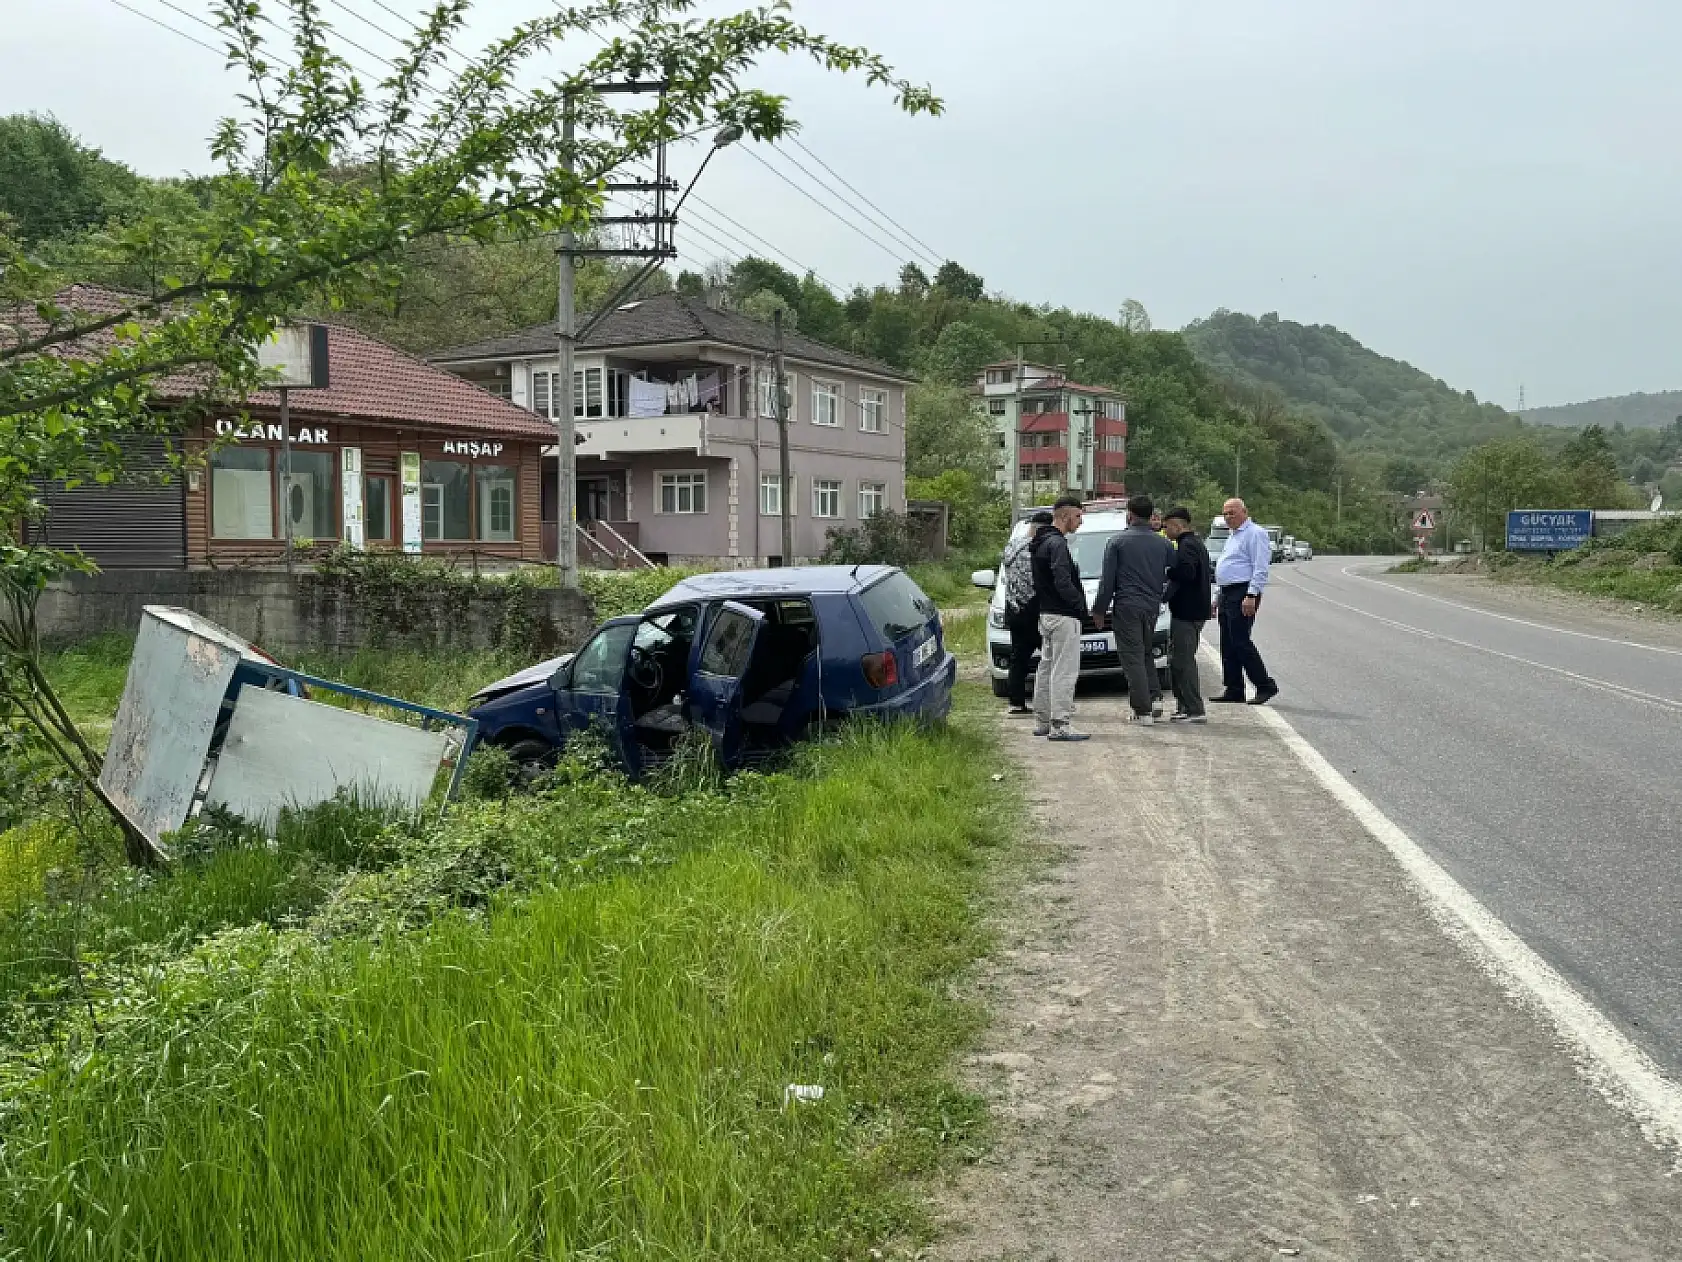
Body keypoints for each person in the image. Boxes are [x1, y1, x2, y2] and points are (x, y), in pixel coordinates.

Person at [1091, 493, 1175, 726]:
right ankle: (1155, 698)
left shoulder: (1117, 542)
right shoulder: (1164, 544)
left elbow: (1108, 581)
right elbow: (1174, 574)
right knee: (1146, 652)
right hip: (1152, 606)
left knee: (1132, 657)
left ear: (1130, 515)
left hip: (1127, 606)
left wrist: (1099, 610)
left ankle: (1142, 710)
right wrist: (1163, 595)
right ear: (1151, 516)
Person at [1030, 495, 1090, 741]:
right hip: (1063, 615)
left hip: (1046, 613)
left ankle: (1043, 720)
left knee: (1046, 667)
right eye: (1078, 516)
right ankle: (1060, 724)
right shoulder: (1057, 544)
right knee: (1064, 670)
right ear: (1064, 516)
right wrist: (1080, 606)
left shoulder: (1040, 541)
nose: (1080, 521)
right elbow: (1063, 581)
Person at [1211, 497, 1278, 705]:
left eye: (1232, 512)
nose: (1228, 517)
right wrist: (1217, 597)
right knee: (1228, 643)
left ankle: (1265, 685)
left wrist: (1251, 595)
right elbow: (1228, 567)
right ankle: (1234, 688)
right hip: (1227, 592)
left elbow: (1260, 567)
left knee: (1241, 641)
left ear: (1244, 512)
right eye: (1225, 513)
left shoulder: (1255, 533)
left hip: (1243, 591)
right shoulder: (1232, 535)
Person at [1161, 506, 1213, 723]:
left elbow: (1187, 572)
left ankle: (1194, 709)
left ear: (1177, 525)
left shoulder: (1187, 545)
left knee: (1183, 661)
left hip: (1188, 612)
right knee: (1178, 659)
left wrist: (1168, 571)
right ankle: (1184, 707)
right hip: (1191, 611)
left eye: (1167, 527)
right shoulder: (1194, 543)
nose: (1165, 531)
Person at [1000, 510, 1054, 715]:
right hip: (1036, 607)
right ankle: (1051, 702)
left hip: (1015, 607)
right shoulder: (1040, 547)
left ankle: (1016, 702)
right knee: (1052, 656)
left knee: (1018, 657)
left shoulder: (1012, 545)